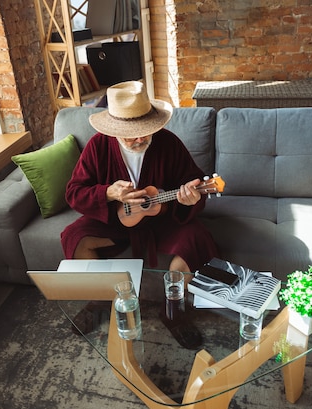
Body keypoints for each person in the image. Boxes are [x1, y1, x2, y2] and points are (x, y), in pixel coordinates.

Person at [61, 81, 218, 273]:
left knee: (196, 239)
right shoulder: (98, 146)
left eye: (145, 131)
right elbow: (74, 193)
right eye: (131, 135)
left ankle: (174, 300)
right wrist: (108, 192)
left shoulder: (168, 142)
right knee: (74, 236)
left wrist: (191, 198)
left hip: (163, 223)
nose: (140, 139)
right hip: (115, 223)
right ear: (115, 131)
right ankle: (107, 300)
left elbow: (194, 181)